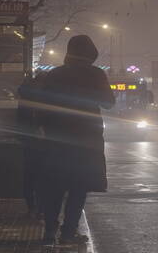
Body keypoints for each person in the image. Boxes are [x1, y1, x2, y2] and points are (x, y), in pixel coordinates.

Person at [38, 35, 115, 244]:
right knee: (78, 188)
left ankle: (49, 230)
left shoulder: (55, 74)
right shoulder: (96, 74)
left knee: (54, 187)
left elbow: (43, 106)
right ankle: (68, 232)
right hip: (86, 141)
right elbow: (108, 102)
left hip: (57, 140)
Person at [18, 71, 48, 217]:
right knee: (45, 176)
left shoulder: (26, 93)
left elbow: (20, 119)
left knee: (29, 175)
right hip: (46, 142)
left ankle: (31, 207)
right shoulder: (48, 93)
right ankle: (41, 208)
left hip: (28, 140)